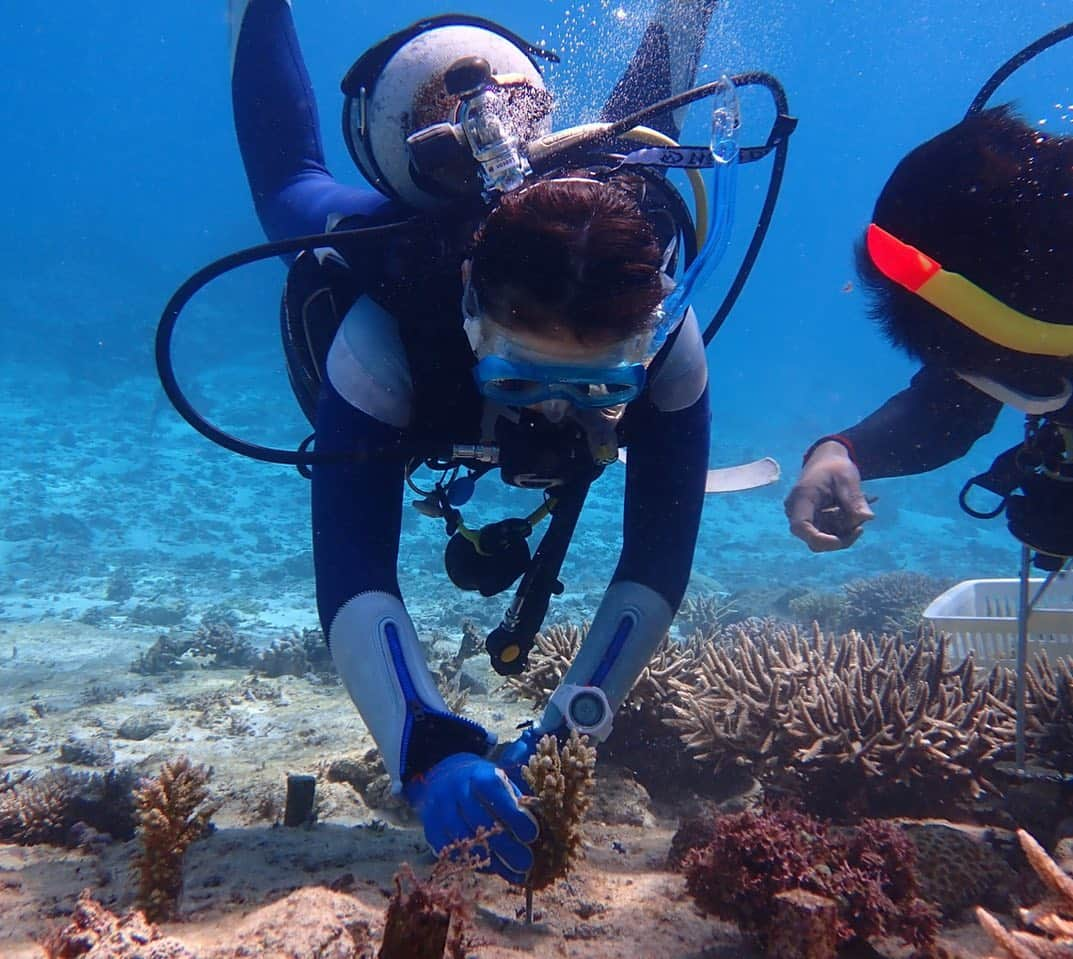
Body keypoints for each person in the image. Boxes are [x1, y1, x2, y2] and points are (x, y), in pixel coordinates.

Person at [229, 0, 721, 883]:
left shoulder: (667, 350)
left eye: (602, 388)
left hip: (581, 194)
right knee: (287, 195)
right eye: (521, 380)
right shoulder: (387, 338)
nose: (556, 415)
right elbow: (352, 576)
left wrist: (571, 722)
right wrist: (426, 747)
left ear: (642, 344)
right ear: (469, 321)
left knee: (648, 133)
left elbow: (656, 560)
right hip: (403, 195)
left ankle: (686, 11)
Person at [784, 101, 1073, 556]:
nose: (1029, 383)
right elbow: (947, 414)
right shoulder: (1025, 300)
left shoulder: (1032, 287)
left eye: (1025, 371)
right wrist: (840, 454)